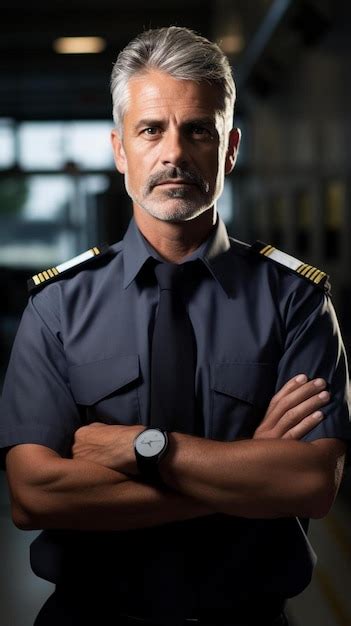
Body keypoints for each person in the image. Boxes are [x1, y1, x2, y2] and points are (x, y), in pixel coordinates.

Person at [0, 26, 350, 626]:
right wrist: (245, 469)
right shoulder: (57, 307)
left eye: (198, 131)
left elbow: (310, 483)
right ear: (119, 150)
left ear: (230, 147)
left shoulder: (296, 301)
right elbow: (35, 496)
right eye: (151, 129)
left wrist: (142, 450)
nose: (174, 154)